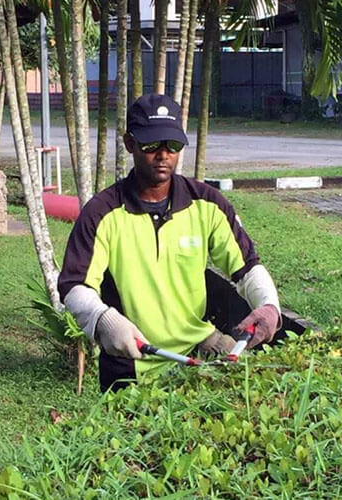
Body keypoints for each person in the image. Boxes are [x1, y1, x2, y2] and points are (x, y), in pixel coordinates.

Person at [58, 93, 281, 392]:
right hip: (130, 365)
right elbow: (74, 286)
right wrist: (103, 320)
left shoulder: (208, 205)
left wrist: (269, 306)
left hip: (198, 359)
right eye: (151, 145)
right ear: (129, 144)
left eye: (172, 145)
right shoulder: (102, 213)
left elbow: (247, 268)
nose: (163, 155)